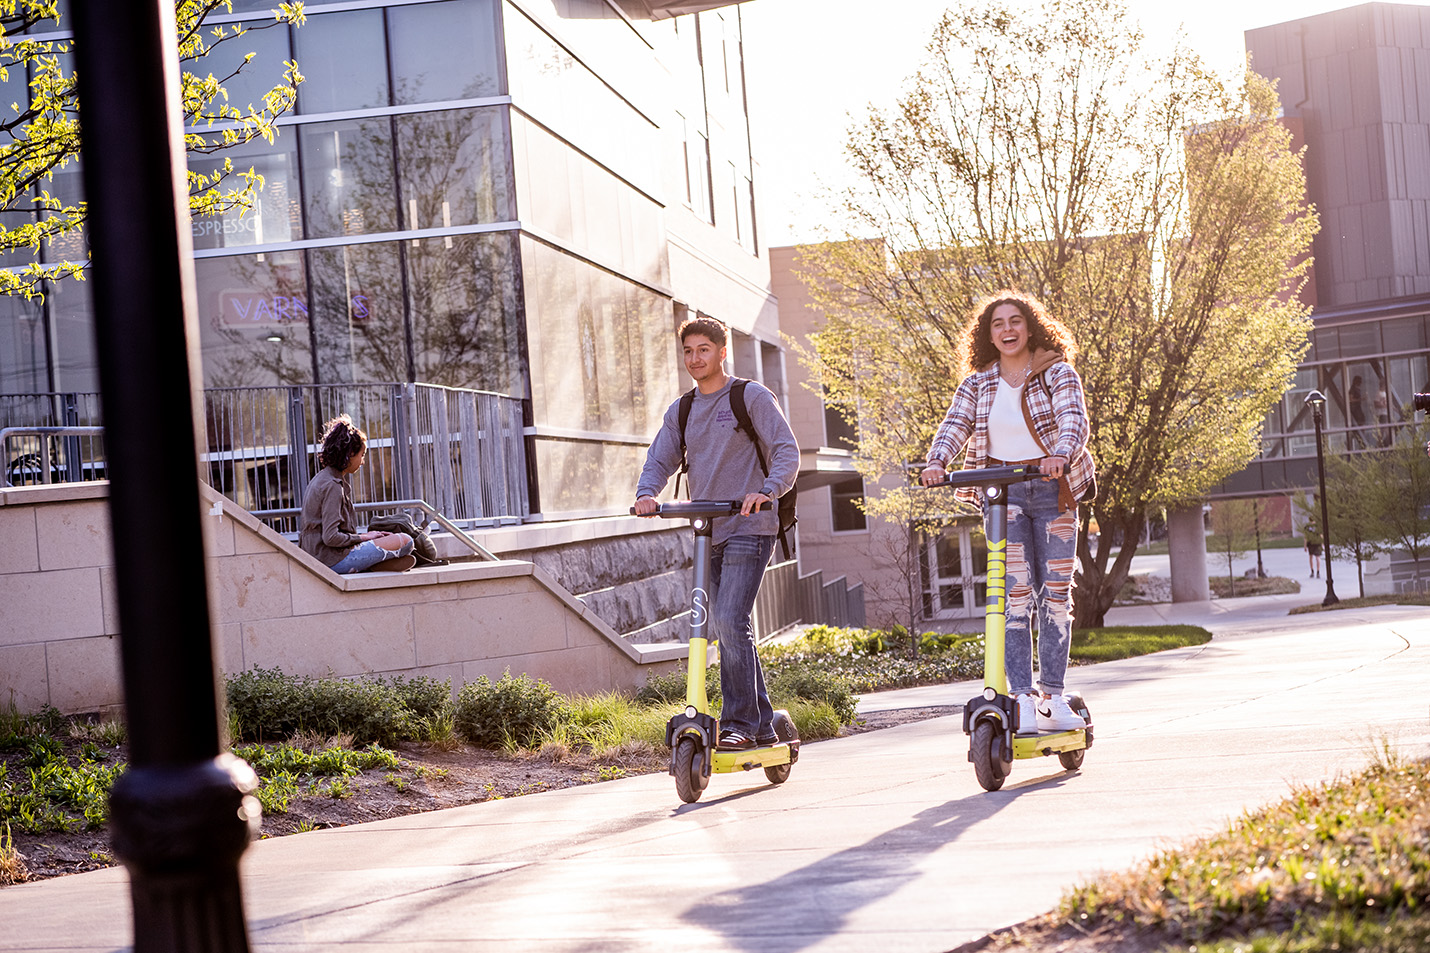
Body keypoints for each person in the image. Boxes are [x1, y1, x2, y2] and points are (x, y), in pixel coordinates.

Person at [919, 291, 1096, 737]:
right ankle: (1021, 696)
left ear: (1030, 326)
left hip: (1053, 490)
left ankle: (1052, 697)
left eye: (1015, 321)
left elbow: (1073, 418)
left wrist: (1060, 453)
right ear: (988, 334)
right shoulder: (977, 383)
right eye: (998, 324)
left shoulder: (1056, 372)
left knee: (1055, 596)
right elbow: (955, 425)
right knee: (1014, 596)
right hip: (1003, 496)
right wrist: (938, 460)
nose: (1008, 330)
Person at [634, 317, 798, 751]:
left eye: (703, 350)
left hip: (751, 523)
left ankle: (739, 723)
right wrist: (647, 494)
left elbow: (786, 449)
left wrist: (767, 491)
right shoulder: (683, 409)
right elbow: (660, 457)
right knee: (725, 626)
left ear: (722, 352)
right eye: (688, 351)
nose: (695, 359)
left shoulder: (750, 396)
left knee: (729, 619)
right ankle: (761, 722)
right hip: (708, 530)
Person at [300, 414, 416, 574]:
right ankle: (371, 564)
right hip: (329, 560)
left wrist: (366, 536)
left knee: (389, 539)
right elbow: (331, 537)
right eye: (362, 455)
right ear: (349, 454)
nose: (362, 462)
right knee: (406, 541)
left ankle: (371, 563)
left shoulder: (321, 478)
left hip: (318, 556)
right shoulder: (332, 485)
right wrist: (364, 538)